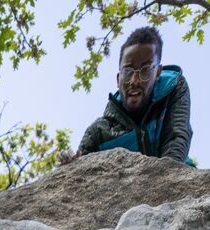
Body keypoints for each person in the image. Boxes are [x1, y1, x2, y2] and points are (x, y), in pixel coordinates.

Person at [62, 26, 192, 163]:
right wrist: (71, 165)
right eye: (128, 71)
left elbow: (176, 137)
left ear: (158, 72)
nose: (135, 81)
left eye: (145, 70)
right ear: (118, 79)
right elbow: (81, 169)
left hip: (177, 178)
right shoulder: (98, 133)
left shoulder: (172, 88)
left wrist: (168, 178)